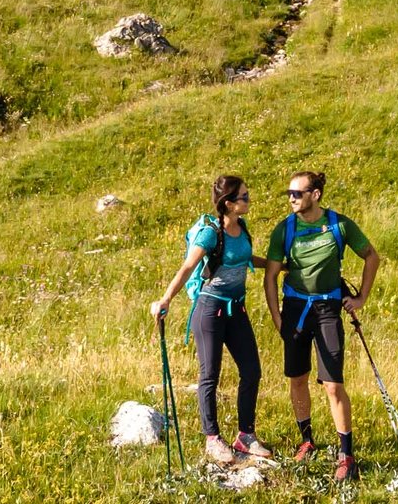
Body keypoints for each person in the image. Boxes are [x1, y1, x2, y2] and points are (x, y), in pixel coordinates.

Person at [262, 170, 381, 483]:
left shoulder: (339, 224)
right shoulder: (284, 229)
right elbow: (270, 277)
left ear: (315, 195)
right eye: (289, 193)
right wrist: (277, 318)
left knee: (332, 383)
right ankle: (307, 441)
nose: (291, 198)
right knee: (297, 378)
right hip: (296, 309)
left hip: (328, 308)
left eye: (297, 193)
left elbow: (371, 256)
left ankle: (346, 455)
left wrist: (361, 298)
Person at [150, 174, 274, 465]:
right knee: (210, 375)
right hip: (209, 311)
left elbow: (245, 257)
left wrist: (275, 265)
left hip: (236, 310)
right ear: (229, 203)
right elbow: (187, 267)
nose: (248, 199)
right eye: (243, 196)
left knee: (252, 371)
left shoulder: (241, 228)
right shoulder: (210, 234)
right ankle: (212, 439)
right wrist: (165, 299)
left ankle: (245, 436)